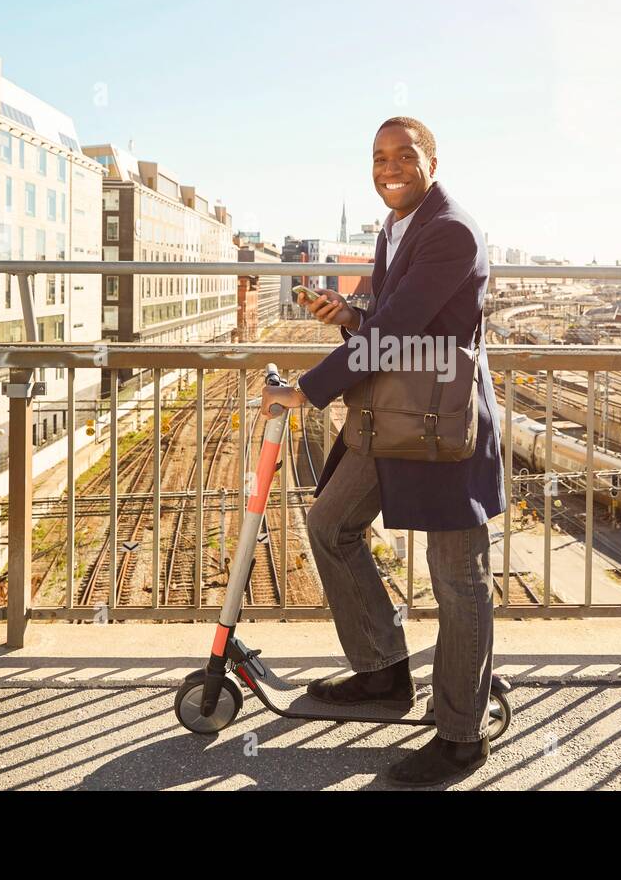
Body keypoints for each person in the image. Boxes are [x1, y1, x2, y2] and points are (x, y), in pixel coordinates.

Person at [260, 116, 505, 786]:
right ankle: (384, 672)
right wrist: (348, 318)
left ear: (432, 159)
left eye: (404, 155)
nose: (389, 167)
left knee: (457, 576)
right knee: (331, 523)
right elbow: (392, 322)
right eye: (378, 157)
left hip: (441, 422)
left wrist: (305, 392)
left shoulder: (450, 228)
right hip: (393, 414)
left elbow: (398, 332)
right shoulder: (397, 227)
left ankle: (461, 736)